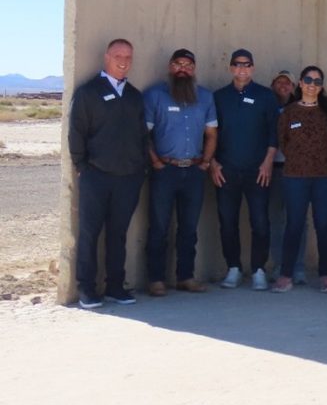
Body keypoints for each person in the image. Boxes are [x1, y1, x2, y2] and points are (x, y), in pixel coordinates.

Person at [68, 38, 147, 308]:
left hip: (128, 178)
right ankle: (87, 289)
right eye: (118, 56)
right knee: (89, 233)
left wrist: (140, 170)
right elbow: (76, 132)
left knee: (118, 233)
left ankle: (115, 286)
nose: (123, 62)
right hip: (96, 176)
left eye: (128, 57)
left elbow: (142, 136)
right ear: (106, 57)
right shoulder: (89, 92)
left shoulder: (134, 96)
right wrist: (81, 167)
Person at [143, 48, 217, 296]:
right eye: (178, 64)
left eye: (188, 65)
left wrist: (205, 163)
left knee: (189, 228)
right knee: (159, 227)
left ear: (194, 69)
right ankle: (156, 279)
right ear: (170, 67)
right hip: (165, 171)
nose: (183, 69)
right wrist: (155, 162)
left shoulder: (205, 97)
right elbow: (144, 133)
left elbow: (211, 133)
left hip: (194, 172)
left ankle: (186, 277)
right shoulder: (155, 95)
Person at [212, 49, 278, 291]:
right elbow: (210, 133)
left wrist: (268, 162)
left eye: (247, 64)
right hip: (226, 170)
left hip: (257, 171)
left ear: (253, 68)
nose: (242, 68)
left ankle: (259, 269)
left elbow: (273, 132)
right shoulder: (219, 97)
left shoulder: (265, 96)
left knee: (260, 221)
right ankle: (234, 268)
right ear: (231, 68)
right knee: (227, 221)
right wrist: (213, 163)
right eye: (238, 64)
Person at [274, 66, 327, 292]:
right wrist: (299, 160)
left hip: (324, 177)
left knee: (324, 224)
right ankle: (286, 275)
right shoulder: (289, 112)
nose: (312, 85)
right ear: (301, 83)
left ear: (321, 86)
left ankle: (326, 276)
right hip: (295, 177)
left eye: (317, 81)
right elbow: (283, 141)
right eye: (308, 80)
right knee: (294, 224)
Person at [268, 69, 306, 284]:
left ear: (293, 87)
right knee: (276, 220)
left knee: (299, 220)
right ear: (273, 85)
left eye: (287, 83)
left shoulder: (301, 107)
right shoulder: (266, 106)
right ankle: (279, 266)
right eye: (279, 82)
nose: (283, 86)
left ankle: (298, 267)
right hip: (272, 170)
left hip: (297, 172)